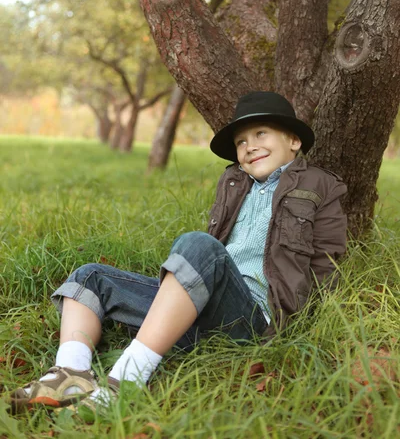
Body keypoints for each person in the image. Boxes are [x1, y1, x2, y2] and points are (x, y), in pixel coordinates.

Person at [9, 91, 347, 414]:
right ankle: (71, 375)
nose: (250, 146)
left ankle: (123, 383)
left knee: (200, 244)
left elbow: (327, 264)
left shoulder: (319, 185)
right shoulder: (234, 181)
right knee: (91, 276)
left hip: (255, 319)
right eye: (241, 141)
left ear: (294, 141)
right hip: (203, 308)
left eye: (261, 133)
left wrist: (295, 330)